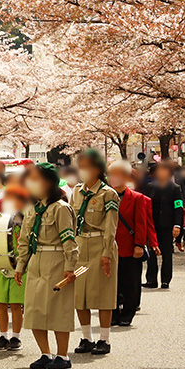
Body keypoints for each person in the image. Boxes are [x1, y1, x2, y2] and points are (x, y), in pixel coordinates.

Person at [15, 163, 79, 369]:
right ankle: (45, 353)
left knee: (58, 309)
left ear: (49, 182)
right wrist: (20, 266)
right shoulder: (32, 209)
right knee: (34, 309)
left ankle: (63, 354)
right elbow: (23, 240)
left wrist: (70, 266)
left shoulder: (60, 208)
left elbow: (69, 239)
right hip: (36, 261)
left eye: (36, 179)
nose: (31, 183)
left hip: (57, 260)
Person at [70, 150, 119, 355]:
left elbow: (111, 226)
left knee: (103, 293)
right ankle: (86, 337)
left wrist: (107, 253)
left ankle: (104, 339)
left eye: (87, 166)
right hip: (81, 248)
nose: (82, 171)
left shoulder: (108, 194)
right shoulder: (76, 192)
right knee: (80, 294)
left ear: (98, 169)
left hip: (101, 246)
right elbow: (71, 222)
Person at [109, 160, 157, 326]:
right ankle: (112, 313)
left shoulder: (137, 198)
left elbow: (141, 223)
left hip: (130, 246)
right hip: (109, 247)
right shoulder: (104, 197)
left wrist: (139, 244)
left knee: (130, 281)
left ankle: (127, 314)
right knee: (110, 283)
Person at [0, 183, 29, 351]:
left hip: (20, 264)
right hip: (2, 262)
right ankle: (3, 335)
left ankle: (16, 337)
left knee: (15, 304)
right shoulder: (2, 217)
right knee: (0, 303)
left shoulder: (27, 217)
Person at [143, 160, 182, 289]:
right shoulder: (150, 187)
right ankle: (151, 280)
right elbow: (144, 205)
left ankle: (165, 280)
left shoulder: (175, 188)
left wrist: (177, 225)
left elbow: (178, 207)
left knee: (166, 253)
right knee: (151, 252)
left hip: (167, 225)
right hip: (152, 225)